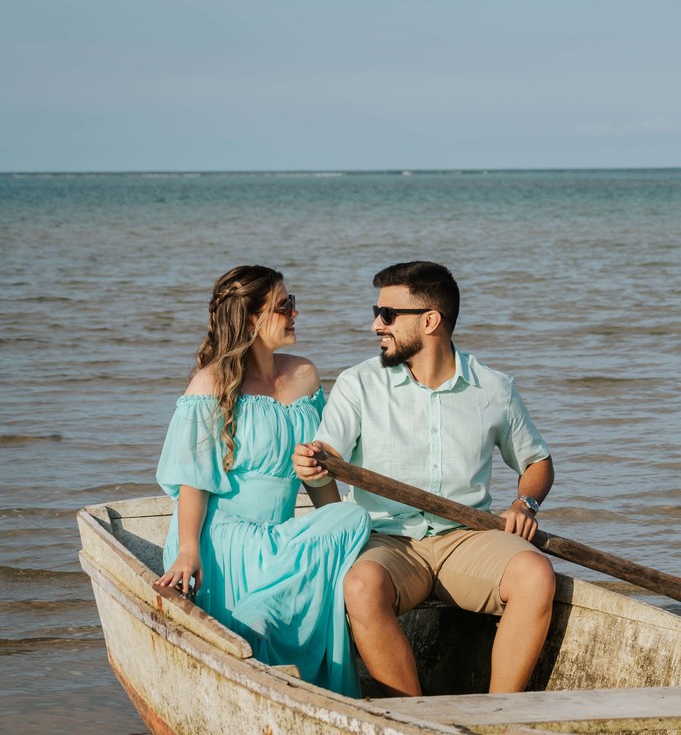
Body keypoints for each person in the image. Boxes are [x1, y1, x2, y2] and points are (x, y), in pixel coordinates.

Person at [293, 261, 556, 698]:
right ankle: (414, 718)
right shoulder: (358, 384)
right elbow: (329, 458)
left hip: (468, 536)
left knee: (536, 575)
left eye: (387, 314)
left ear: (430, 321)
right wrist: (314, 468)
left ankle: (501, 715)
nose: (376, 325)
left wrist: (524, 504)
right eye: (376, 312)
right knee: (360, 586)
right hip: (386, 540)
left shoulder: (494, 389)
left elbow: (537, 462)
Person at [154, 265, 372, 697]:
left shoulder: (304, 375)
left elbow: (316, 472)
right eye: (284, 306)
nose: (295, 313)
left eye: (292, 303)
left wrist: (340, 534)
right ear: (251, 318)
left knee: (354, 518)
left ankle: (263, 614)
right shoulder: (211, 383)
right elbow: (194, 481)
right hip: (221, 537)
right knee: (341, 531)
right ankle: (258, 618)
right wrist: (188, 550)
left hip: (278, 535)